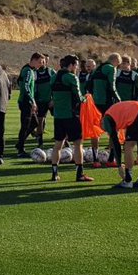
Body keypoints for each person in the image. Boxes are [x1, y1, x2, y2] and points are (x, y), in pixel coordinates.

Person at [48, 55, 94, 183]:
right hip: (71, 115)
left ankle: (54, 174)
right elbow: (79, 98)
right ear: (72, 65)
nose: (78, 68)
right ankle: (79, 174)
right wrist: (86, 97)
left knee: (58, 145)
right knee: (78, 143)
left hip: (58, 116)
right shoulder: (71, 77)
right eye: (77, 65)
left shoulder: (53, 77)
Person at [102, 101, 138, 189]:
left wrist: (119, 166)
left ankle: (128, 180)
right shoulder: (113, 112)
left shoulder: (107, 119)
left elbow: (116, 144)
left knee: (128, 145)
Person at [87, 53, 122, 167]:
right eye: (118, 64)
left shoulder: (97, 69)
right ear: (116, 61)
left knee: (95, 130)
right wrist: (119, 100)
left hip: (95, 103)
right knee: (113, 130)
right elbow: (112, 87)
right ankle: (111, 159)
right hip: (108, 103)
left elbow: (88, 85)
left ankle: (95, 160)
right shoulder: (111, 68)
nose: (118, 66)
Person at [14, 53, 46, 157]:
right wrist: (32, 101)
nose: (41, 65)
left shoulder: (31, 70)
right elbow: (26, 86)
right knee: (25, 125)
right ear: (34, 60)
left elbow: (21, 83)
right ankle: (20, 150)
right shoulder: (27, 70)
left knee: (34, 123)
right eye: (40, 62)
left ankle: (20, 143)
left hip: (27, 101)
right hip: (26, 102)